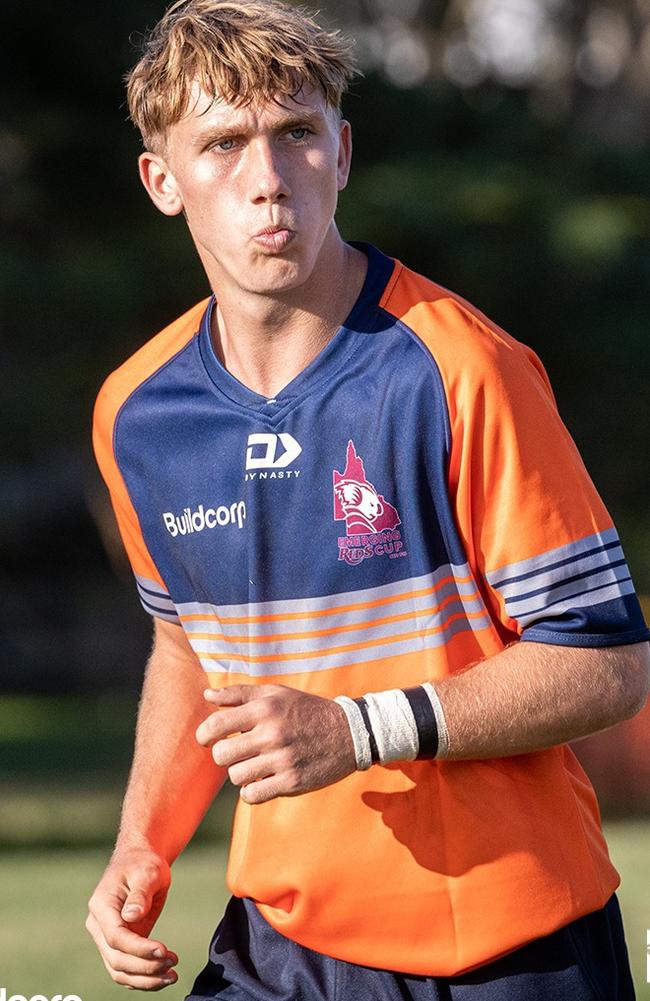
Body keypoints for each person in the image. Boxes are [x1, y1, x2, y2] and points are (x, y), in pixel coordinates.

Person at [86, 1, 650, 997]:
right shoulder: (136, 411)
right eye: (221, 144)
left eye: (295, 134)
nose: (267, 181)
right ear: (161, 180)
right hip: (281, 941)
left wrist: (356, 729)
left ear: (340, 153)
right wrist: (143, 840)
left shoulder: (461, 368)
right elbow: (188, 642)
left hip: (509, 945)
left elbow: (603, 659)